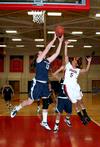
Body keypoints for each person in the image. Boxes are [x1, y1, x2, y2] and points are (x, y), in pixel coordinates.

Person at [10, 33, 64, 130]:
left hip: (45, 85)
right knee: (30, 102)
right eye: (40, 52)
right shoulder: (39, 60)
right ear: (38, 55)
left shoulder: (47, 61)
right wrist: (54, 39)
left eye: (41, 52)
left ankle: (44, 122)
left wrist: (60, 42)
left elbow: (56, 54)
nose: (42, 53)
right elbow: (47, 49)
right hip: (37, 84)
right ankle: (16, 108)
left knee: (46, 102)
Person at [57, 40, 92, 125]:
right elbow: (65, 55)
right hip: (68, 87)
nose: (74, 60)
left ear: (76, 63)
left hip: (76, 86)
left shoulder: (77, 70)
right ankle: (82, 118)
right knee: (75, 104)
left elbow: (86, 70)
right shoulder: (68, 65)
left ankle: (86, 115)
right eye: (74, 59)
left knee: (81, 102)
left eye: (75, 60)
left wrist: (89, 62)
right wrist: (65, 45)